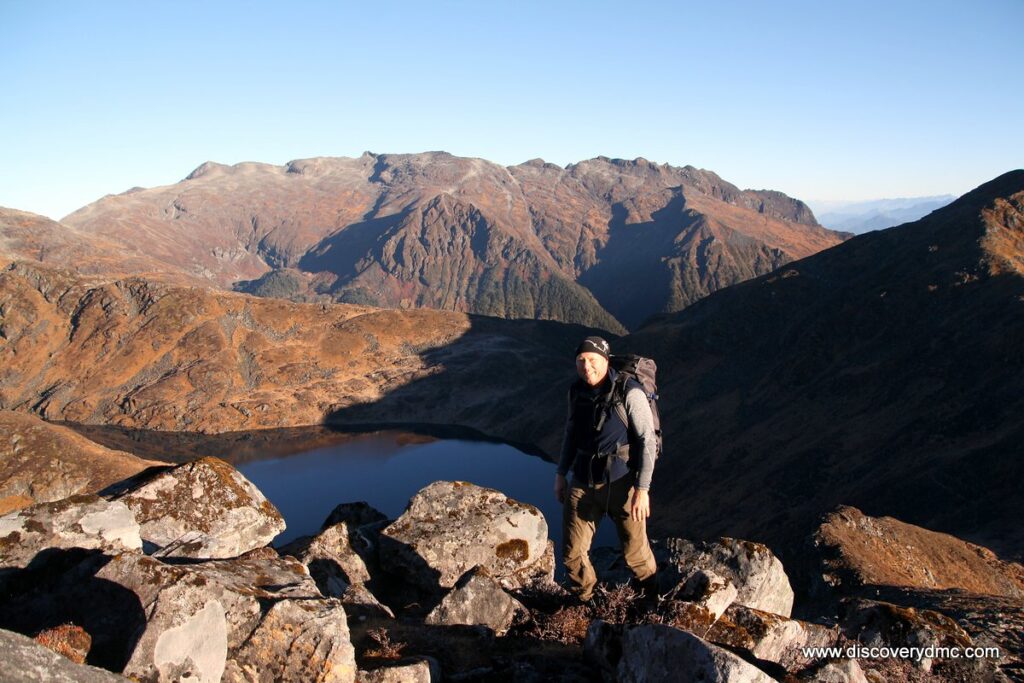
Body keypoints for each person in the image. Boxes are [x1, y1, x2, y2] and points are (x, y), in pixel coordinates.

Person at [554, 336, 658, 603]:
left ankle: (649, 601)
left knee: (635, 552)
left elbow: (647, 439)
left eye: (592, 360)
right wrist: (560, 474)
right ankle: (583, 602)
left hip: (623, 484)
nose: (586, 366)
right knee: (572, 552)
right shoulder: (576, 392)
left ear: (606, 361)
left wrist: (642, 489)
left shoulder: (629, 390)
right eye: (581, 360)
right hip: (583, 481)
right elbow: (571, 434)